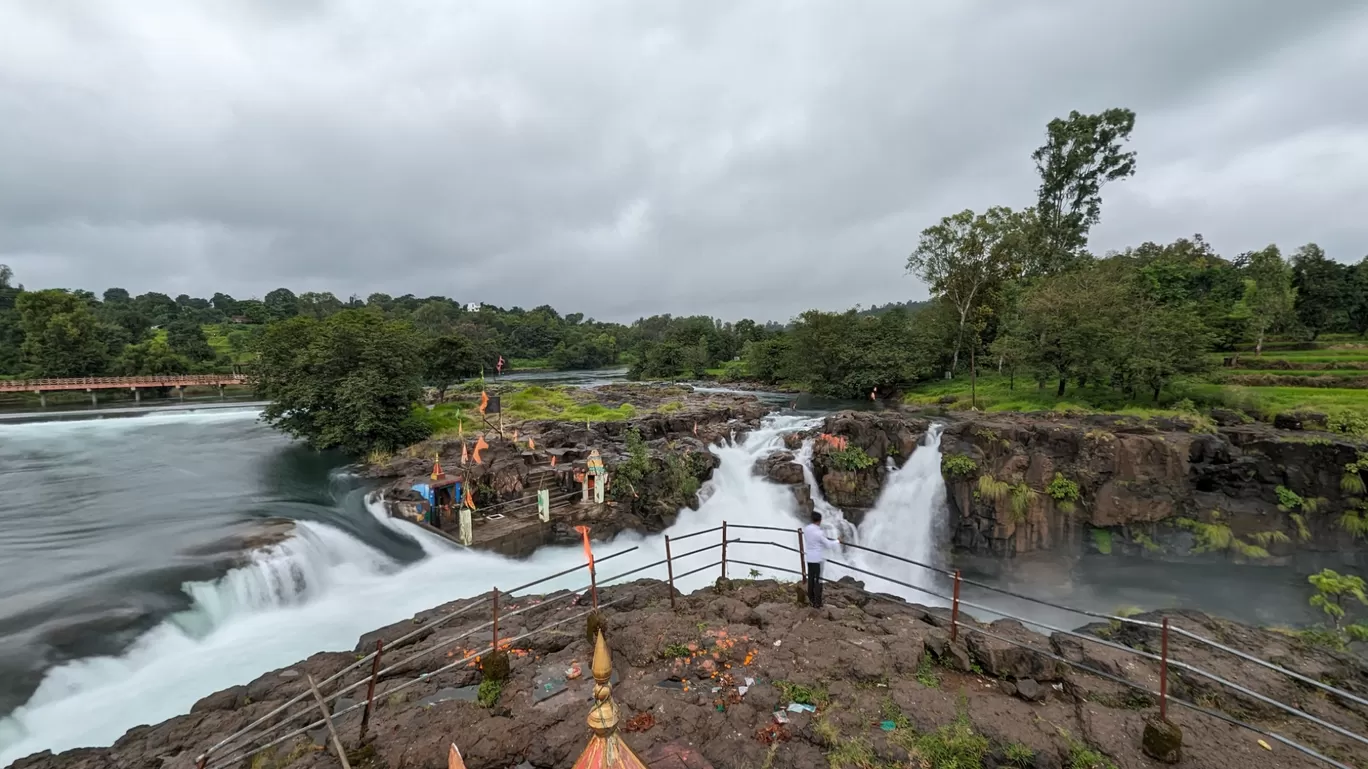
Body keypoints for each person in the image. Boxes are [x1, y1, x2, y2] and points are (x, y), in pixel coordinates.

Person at [802, 512, 841, 608]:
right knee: (818, 580)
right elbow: (828, 544)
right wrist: (838, 541)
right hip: (817, 559)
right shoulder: (819, 533)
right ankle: (817, 602)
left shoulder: (806, 529)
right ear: (819, 521)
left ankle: (810, 598)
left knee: (810, 578)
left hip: (809, 557)